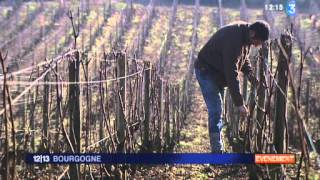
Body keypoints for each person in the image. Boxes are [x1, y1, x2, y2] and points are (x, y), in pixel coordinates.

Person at [194, 20, 270, 153]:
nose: (258, 45)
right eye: (258, 41)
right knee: (216, 110)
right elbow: (231, 71)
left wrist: (251, 76)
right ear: (253, 33)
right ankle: (217, 151)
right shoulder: (233, 38)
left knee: (219, 111)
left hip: (217, 74)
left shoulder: (245, 36)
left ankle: (219, 147)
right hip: (206, 71)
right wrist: (239, 103)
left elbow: (242, 58)